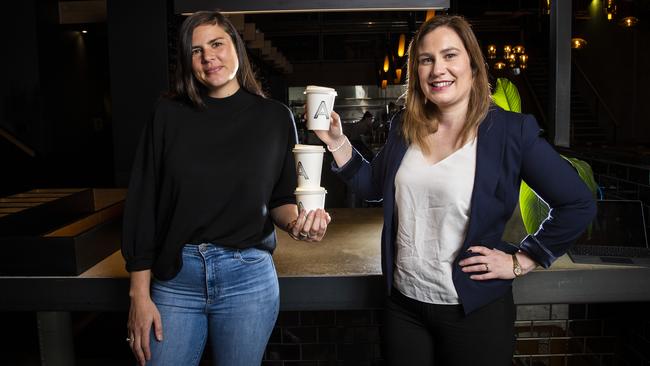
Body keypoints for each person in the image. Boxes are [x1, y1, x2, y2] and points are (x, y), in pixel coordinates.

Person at [313, 15, 595, 366]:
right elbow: (372, 187)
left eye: (450, 56)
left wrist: (524, 259)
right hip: (404, 306)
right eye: (426, 60)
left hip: (473, 311)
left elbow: (578, 203)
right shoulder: (405, 127)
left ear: (473, 66)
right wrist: (338, 141)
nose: (437, 69)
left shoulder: (510, 132)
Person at [121, 11, 330, 366]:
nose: (208, 57)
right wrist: (138, 294)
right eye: (196, 50)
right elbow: (143, 203)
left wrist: (299, 223)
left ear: (236, 47)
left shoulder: (275, 118)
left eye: (217, 44)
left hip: (247, 277)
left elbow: (280, 200)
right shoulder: (167, 114)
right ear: (188, 62)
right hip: (176, 278)